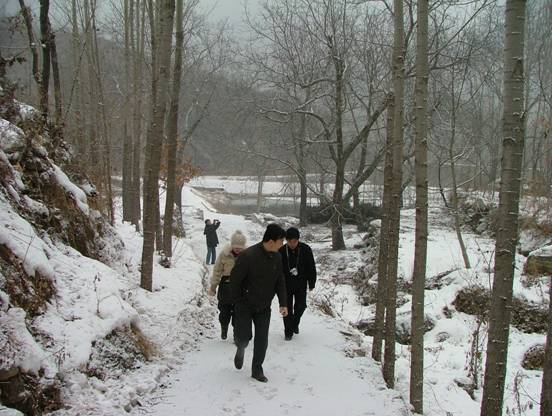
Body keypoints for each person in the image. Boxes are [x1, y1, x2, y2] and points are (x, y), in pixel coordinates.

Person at [230, 223, 288, 383]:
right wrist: (238, 301)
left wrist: (283, 303)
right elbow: (234, 281)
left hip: (264, 306)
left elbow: (280, 280)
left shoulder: (277, 257)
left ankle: (257, 369)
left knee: (262, 339)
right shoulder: (248, 256)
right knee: (244, 337)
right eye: (281, 241)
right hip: (245, 305)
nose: (282, 244)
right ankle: (240, 348)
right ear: (271, 241)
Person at [208, 230, 247, 341]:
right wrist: (213, 287)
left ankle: (236, 334)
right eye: (236, 246)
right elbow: (217, 271)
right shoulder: (224, 255)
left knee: (238, 313)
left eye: (240, 247)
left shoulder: (247, 255)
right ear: (232, 244)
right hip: (226, 286)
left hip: (241, 287)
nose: (238, 249)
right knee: (224, 311)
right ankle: (224, 327)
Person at [279, 227, 316, 341]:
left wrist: (312, 282)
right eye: (290, 241)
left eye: (295, 241)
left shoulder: (305, 249)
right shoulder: (281, 251)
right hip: (285, 285)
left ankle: (295, 323)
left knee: (301, 306)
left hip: (301, 283)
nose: (292, 244)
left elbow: (311, 267)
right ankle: (288, 332)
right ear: (286, 240)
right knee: (286, 309)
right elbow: (276, 270)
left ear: (298, 240)